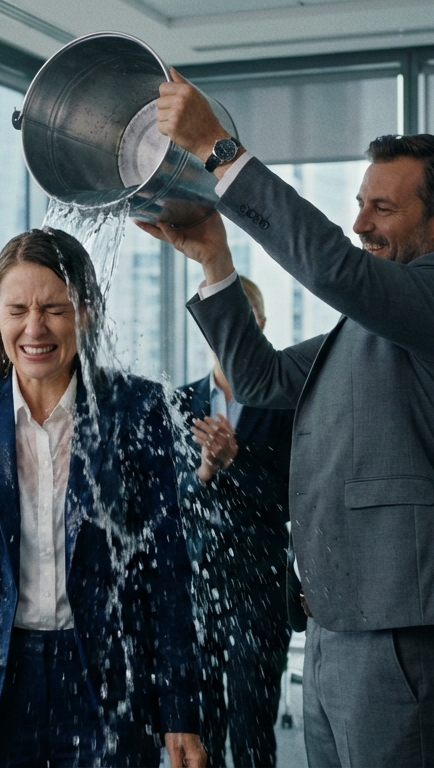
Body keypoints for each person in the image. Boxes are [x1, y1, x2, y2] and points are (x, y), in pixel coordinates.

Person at [140, 72, 434, 767]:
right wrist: (215, 260)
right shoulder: (375, 323)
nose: (361, 222)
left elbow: (336, 268)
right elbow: (260, 378)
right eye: (359, 203)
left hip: (409, 618)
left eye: (382, 208)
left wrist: (219, 151)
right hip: (339, 616)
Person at [0, 229, 205, 768]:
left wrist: (181, 710)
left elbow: (167, 572)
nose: (34, 328)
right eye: (17, 309)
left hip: (104, 682)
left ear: (86, 311)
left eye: (54, 309)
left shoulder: (136, 408)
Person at [176, 275, 295, 768]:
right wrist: (204, 469)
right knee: (199, 738)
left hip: (259, 592)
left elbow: (293, 499)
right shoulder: (181, 403)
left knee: (252, 733)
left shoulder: (288, 402)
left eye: (239, 324)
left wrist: (234, 461)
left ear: (260, 328)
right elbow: (168, 503)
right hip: (196, 592)